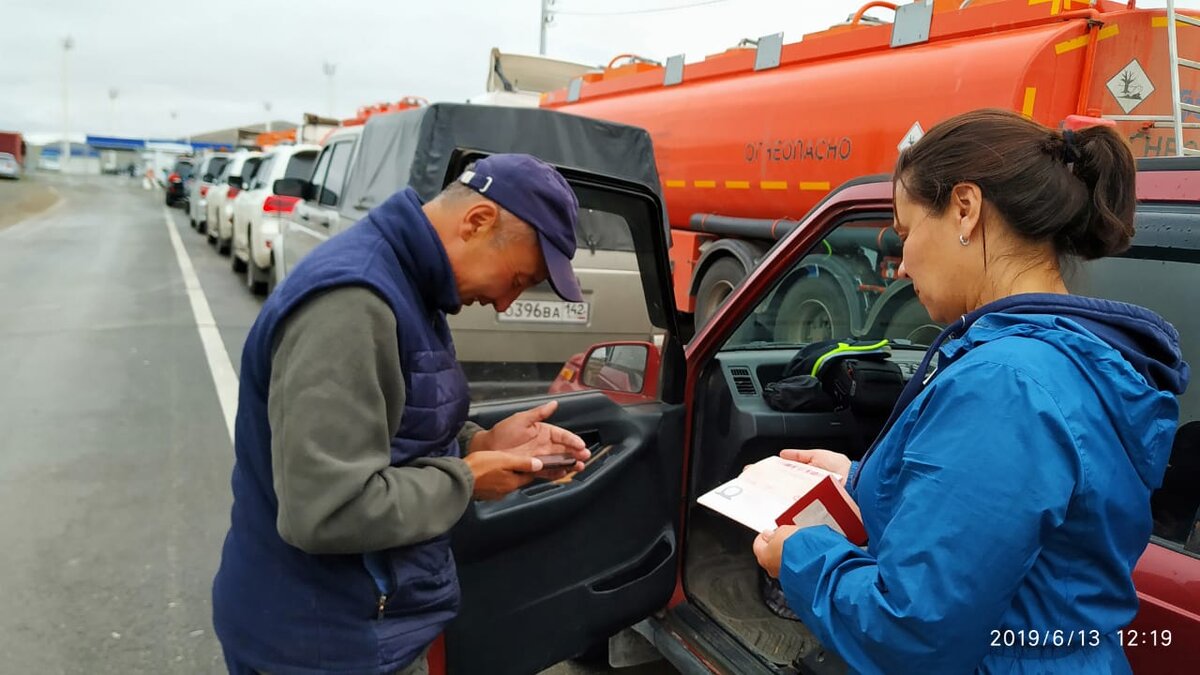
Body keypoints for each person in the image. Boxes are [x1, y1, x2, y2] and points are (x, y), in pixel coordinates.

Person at [753, 109, 1189, 673]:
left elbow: (911, 630)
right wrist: (858, 479)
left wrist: (799, 558)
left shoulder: (1006, 384)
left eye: (907, 233)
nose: (902, 263)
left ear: (965, 208)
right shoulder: (1066, 359)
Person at [212, 154, 593, 675]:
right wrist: (466, 479)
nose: (506, 304)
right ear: (477, 222)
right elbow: (326, 511)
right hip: (319, 645)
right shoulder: (352, 304)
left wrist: (479, 444)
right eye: (519, 278)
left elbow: (395, 424)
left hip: (355, 626)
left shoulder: (409, 283)